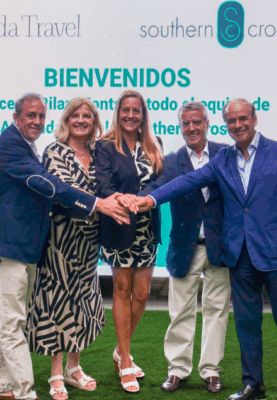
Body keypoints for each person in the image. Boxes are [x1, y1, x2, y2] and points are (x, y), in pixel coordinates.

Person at [134, 99, 277, 400]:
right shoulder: (224, 159)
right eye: (231, 121)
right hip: (240, 257)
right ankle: (253, 385)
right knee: (246, 325)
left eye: (243, 118)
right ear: (225, 124)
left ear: (254, 119)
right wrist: (150, 200)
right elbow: (187, 181)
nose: (238, 125)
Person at [0, 93, 129, 400]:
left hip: (25, 246)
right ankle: (26, 393)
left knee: (4, 318)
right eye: (30, 115)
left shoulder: (25, 145)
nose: (36, 121)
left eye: (40, 116)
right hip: (10, 245)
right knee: (12, 323)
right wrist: (98, 203)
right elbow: (50, 186)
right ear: (16, 117)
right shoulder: (11, 146)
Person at [139, 101, 231, 393]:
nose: (192, 128)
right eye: (186, 123)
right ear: (180, 127)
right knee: (180, 312)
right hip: (184, 247)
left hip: (220, 247)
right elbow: (157, 188)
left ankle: (211, 371)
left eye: (196, 122)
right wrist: (138, 199)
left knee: (217, 311)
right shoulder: (171, 161)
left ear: (207, 124)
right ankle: (177, 370)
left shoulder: (225, 154)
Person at [25, 97, 106, 400]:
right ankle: (56, 372)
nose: (81, 120)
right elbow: (66, 191)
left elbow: (106, 187)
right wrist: (102, 204)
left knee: (83, 299)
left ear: (94, 121)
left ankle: (74, 368)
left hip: (89, 241)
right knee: (57, 300)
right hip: (60, 239)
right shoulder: (54, 151)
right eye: (75, 115)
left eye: (87, 116)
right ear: (66, 120)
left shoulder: (100, 153)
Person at [95, 90, 163, 394]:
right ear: (118, 112)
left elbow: (160, 181)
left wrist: (144, 198)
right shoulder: (105, 145)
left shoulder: (154, 143)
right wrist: (123, 198)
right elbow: (103, 183)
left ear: (143, 114)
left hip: (147, 229)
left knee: (143, 293)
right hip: (119, 225)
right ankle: (125, 360)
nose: (131, 115)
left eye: (136, 110)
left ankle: (120, 349)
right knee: (122, 289)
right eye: (126, 110)